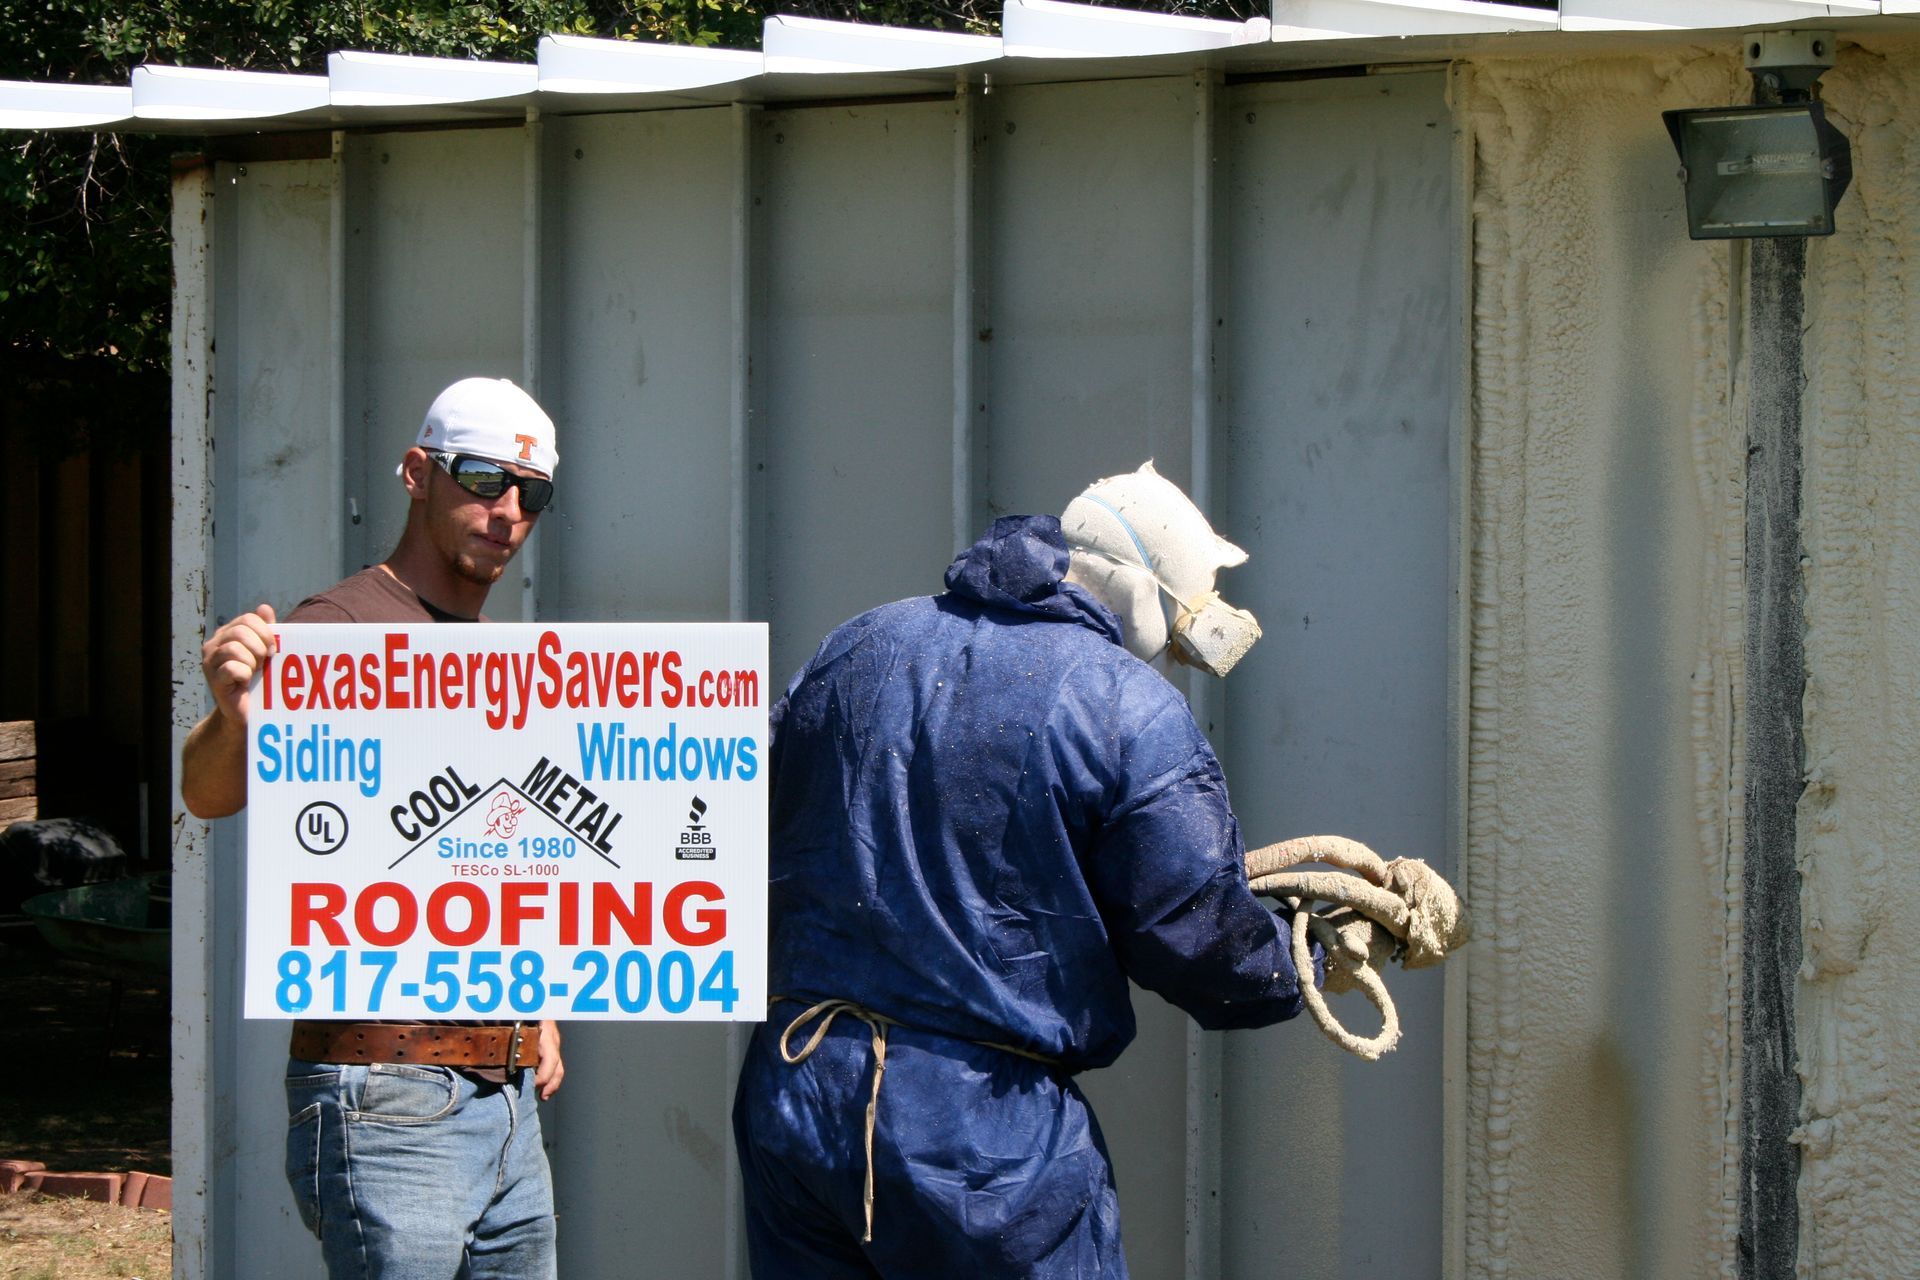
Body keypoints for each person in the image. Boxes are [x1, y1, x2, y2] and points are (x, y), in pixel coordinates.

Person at [732, 462, 1329, 1278]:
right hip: (978, 1142)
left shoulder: (860, 644)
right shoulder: (1127, 706)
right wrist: (1304, 955)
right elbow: (1198, 941)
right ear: (1155, 597)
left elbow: (733, 805)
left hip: (796, 1095)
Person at [181, 377, 566, 1279]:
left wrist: (535, 1003)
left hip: (504, 1094)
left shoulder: (489, 659)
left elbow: (487, 859)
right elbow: (207, 795)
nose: (506, 510)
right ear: (417, 473)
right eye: (482, 479)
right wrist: (234, 717)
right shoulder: (342, 629)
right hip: (387, 1089)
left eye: (532, 492)